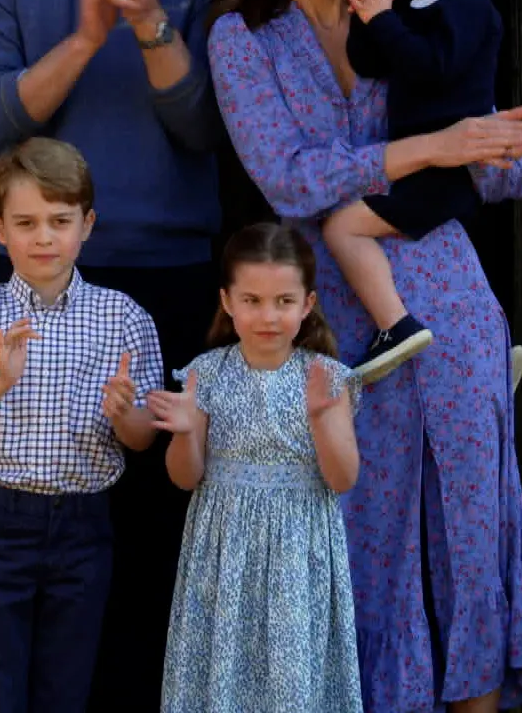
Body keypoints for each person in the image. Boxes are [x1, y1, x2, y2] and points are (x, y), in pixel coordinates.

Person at [207, 0, 522, 713]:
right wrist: (433, 147)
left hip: (447, 279)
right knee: (362, 525)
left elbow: (486, 162)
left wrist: (500, 147)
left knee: (474, 514)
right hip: (330, 303)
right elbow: (287, 177)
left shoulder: (416, 5)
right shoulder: (242, 36)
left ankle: (478, 699)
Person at [0, 0, 238, 709]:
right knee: (28, 541)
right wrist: (83, 37)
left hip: (166, 276)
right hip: (35, 281)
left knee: (153, 544)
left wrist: (154, 25)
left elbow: (209, 128)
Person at [0, 138, 163, 713]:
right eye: (26, 222)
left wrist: (123, 412)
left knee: (65, 688)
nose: (44, 237)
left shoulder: (123, 317)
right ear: (0, 229)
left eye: (60, 221)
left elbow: (143, 438)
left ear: (88, 224)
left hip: (83, 524)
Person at [148, 222, 363, 713]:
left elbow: (343, 479)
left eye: (284, 302)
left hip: (298, 552)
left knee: (292, 681)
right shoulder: (207, 372)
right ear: (227, 301)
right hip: (223, 552)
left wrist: (323, 420)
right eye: (252, 300)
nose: (268, 316)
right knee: (223, 674)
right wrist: (184, 430)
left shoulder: (327, 377)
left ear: (307, 303)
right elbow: (185, 477)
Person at [324, 0, 506, 384]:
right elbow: (371, 62)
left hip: (445, 171)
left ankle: (395, 326)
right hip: (420, 164)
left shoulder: (471, 5)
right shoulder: (412, 2)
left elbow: (432, 68)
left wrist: (385, 20)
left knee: (342, 226)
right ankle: (482, 353)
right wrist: (369, 15)